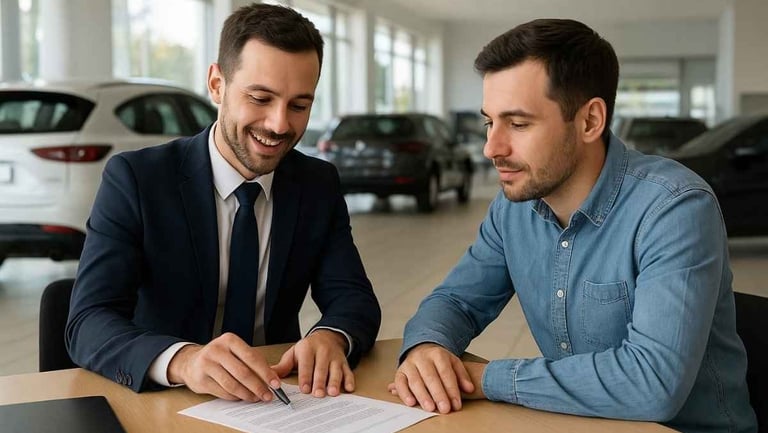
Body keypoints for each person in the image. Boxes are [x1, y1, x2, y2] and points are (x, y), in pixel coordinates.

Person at [389, 18, 757, 433]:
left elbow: (653, 384)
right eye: (490, 121)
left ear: (589, 121)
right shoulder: (513, 208)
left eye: (519, 123)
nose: (492, 147)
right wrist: (427, 346)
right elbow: (456, 301)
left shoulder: (674, 207)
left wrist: (483, 379)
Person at [66, 3, 380, 404]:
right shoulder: (137, 179)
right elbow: (88, 321)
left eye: (299, 105)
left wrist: (331, 336)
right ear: (216, 84)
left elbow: (353, 297)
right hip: (167, 402)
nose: (280, 124)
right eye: (261, 98)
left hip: (278, 404)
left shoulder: (316, 183)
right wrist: (184, 360)